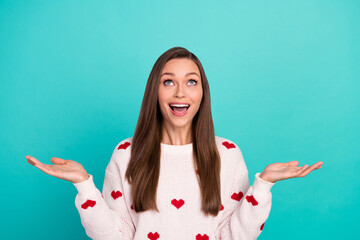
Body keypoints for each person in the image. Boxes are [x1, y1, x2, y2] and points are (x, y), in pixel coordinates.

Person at [26, 47, 323, 240]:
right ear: (154, 91)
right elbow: (115, 235)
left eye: (191, 81)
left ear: (203, 93)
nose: (180, 92)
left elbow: (233, 235)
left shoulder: (227, 153)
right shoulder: (126, 153)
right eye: (168, 81)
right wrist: (83, 184)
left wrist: (264, 184)